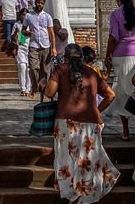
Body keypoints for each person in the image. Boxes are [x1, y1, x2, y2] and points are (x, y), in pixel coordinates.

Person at [44, 43, 119, 202]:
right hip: (90, 122)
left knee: (66, 158)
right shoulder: (91, 72)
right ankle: (85, 191)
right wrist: (97, 109)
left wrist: (44, 83)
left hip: (65, 122)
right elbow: (111, 95)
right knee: (87, 158)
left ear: (65, 57)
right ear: (82, 57)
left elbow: (49, 92)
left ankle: (70, 192)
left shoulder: (60, 70)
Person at [104, 0, 135, 140]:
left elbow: (113, 38)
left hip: (120, 56)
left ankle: (125, 131)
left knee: (121, 92)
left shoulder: (116, 15)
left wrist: (107, 54)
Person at [23, 0, 56, 97]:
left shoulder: (47, 16)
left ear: (44, 4)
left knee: (45, 70)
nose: (39, 5)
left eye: (41, 3)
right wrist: (25, 35)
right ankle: (35, 87)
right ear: (35, 3)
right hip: (33, 45)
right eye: (38, 2)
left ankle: (44, 91)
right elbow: (22, 30)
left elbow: (51, 33)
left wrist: (54, 48)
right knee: (33, 67)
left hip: (45, 45)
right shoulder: (28, 16)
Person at [13, 7, 31, 96]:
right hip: (20, 48)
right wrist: (16, 33)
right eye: (23, 14)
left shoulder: (31, 25)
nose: (24, 16)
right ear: (20, 15)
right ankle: (22, 88)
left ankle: (28, 88)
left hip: (30, 48)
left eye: (26, 15)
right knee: (22, 67)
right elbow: (14, 38)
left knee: (28, 69)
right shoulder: (17, 25)